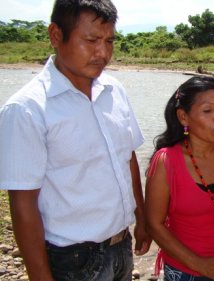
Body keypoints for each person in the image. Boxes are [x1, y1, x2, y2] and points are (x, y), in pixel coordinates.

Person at [0, 0, 151, 280]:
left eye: (109, 41)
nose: (103, 52)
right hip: (73, 258)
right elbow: (23, 204)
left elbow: (127, 158)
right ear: (56, 35)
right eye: (92, 40)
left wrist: (141, 219)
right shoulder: (26, 110)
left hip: (121, 245)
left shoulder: (114, 91)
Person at [145, 76, 214, 281]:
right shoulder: (166, 161)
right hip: (186, 272)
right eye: (208, 111)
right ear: (183, 117)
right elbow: (155, 224)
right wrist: (199, 264)